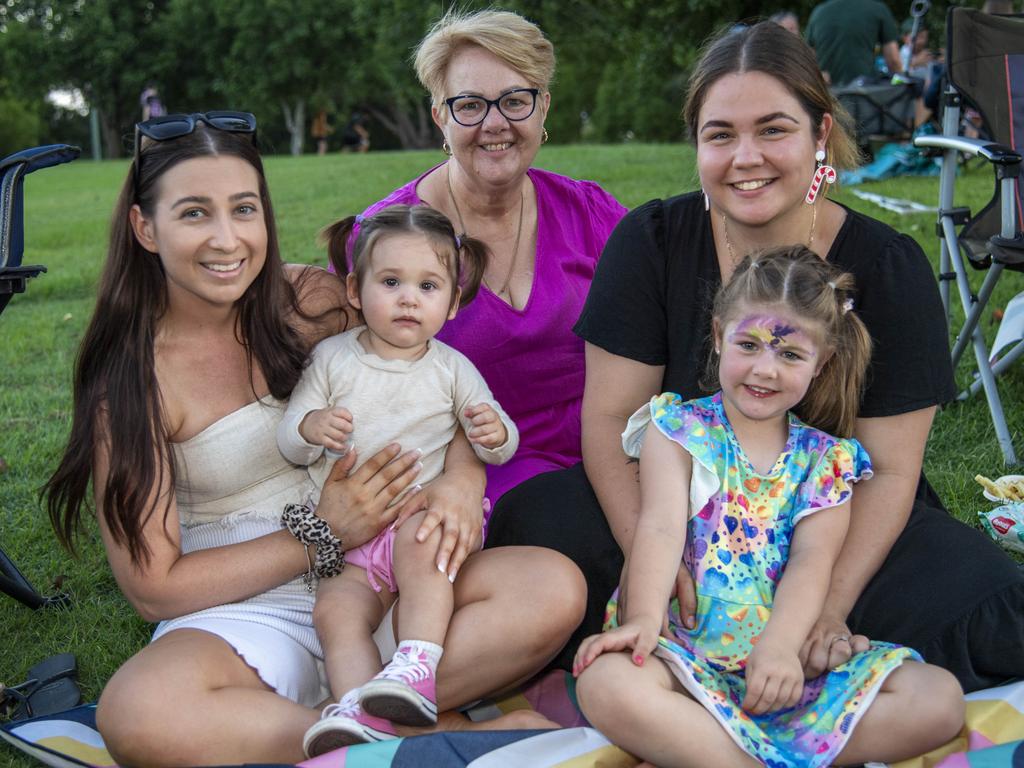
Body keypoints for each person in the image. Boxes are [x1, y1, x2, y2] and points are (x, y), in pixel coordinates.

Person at [43, 112, 585, 767]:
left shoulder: (311, 303)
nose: (226, 238)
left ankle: (365, 716)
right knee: (139, 711)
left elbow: (434, 384)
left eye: (244, 209)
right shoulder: (129, 379)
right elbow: (155, 588)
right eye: (193, 213)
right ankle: (424, 739)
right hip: (242, 613)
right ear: (144, 227)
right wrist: (321, 532)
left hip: (383, 580)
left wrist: (462, 483)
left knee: (552, 587)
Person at [575, 20, 1024, 694]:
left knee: (998, 607)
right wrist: (655, 565)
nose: (745, 157)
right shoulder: (653, 241)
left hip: (834, 528)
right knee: (542, 527)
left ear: (820, 137)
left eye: (773, 129)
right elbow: (612, 424)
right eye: (720, 134)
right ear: (696, 144)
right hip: (681, 516)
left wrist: (826, 609)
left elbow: (892, 472)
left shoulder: (888, 267)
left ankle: (802, 658)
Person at [574, 247, 964, 767]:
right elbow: (661, 528)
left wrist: (781, 651)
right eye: (749, 344)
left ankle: (714, 754)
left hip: (785, 667)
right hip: (686, 662)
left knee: (937, 699)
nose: (765, 369)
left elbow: (813, 562)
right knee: (607, 684)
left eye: (790, 354)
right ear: (717, 336)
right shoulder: (679, 433)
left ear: (822, 361)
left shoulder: (826, 461)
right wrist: (644, 618)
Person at [345, 8, 627, 668]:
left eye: (515, 100)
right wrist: (462, 470)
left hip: (607, 455)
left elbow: (664, 336)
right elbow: (367, 395)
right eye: (469, 104)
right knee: (591, 545)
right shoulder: (385, 240)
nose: (494, 124)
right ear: (439, 114)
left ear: (543, 106)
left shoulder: (590, 212)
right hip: (476, 484)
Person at [280, 205, 519, 756]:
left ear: (452, 302)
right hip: (350, 539)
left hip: (418, 517)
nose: (409, 298)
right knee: (336, 613)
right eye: (391, 282)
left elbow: (502, 444)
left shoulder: (452, 368)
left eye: (428, 285)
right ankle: (359, 706)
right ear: (355, 291)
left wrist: (492, 432)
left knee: (425, 556)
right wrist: (311, 426)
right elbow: (290, 440)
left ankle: (415, 666)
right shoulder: (332, 359)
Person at [806, 0, 902, 85]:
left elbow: (808, 59)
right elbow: (893, 60)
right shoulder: (878, 8)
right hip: (865, 93)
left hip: (828, 95)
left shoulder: (818, 12)